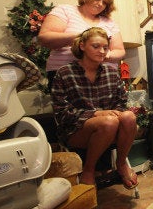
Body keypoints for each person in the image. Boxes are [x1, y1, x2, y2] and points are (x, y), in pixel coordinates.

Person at [51, 27, 138, 189]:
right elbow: (62, 113)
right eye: (96, 46)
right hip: (76, 131)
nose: (102, 51)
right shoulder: (65, 73)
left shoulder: (111, 73)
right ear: (82, 46)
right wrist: (96, 114)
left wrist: (115, 114)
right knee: (108, 122)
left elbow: (121, 103)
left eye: (105, 47)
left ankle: (121, 164)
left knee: (129, 117)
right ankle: (89, 170)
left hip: (111, 130)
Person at [38, 0, 126, 86]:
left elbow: (120, 51)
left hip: (103, 77)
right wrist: (78, 38)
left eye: (105, 2)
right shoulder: (65, 10)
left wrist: (104, 55)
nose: (100, 4)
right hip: (66, 75)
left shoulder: (109, 22)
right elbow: (44, 38)